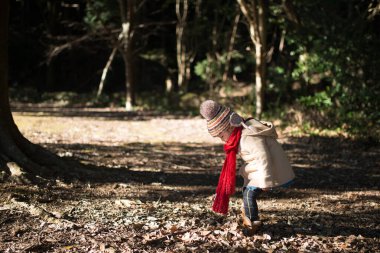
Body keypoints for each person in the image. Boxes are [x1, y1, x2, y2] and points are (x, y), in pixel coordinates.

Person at [200, 100, 295, 234]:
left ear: (229, 127)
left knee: (249, 193)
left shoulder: (248, 137)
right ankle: (249, 214)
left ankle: (252, 222)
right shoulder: (240, 136)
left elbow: (263, 157)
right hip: (259, 170)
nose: (222, 139)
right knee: (247, 192)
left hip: (270, 169)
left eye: (221, 135)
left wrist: (266, 180)